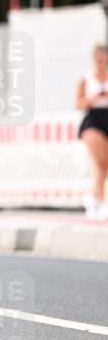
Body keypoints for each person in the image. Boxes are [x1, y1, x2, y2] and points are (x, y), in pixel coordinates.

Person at [76, 42, 108, 220]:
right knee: (100, 162)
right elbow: (78, 102)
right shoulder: (86, 77)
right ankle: (100, 200)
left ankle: (94, 198)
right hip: (93, 119)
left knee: (106, 165)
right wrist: (92, 99)